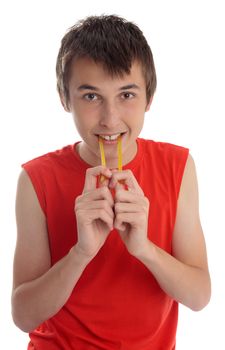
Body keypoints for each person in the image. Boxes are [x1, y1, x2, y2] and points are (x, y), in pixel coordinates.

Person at [12, 15, 211, 350]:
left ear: (149, 98)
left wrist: (144, 249)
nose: (110, 119)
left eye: (127, 95)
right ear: (65, 99)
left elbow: (199, 296)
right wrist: (81, 252)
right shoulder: (36, 179)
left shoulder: (178, 166)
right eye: (90, 97)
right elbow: (23, 316)